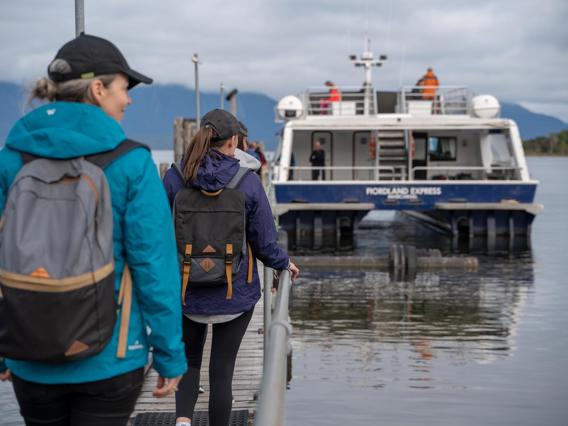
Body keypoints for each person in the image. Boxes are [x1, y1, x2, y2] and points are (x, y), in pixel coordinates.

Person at [0, 34, 186, 425]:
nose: (129, 99)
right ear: (98, 89)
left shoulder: (10, 160)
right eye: (123, 88)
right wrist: (170, 353)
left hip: (28, 353)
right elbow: (155, 266)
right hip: (112, 356)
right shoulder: (132, 163)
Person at [162, 109, 299, 426]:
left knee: (189, 362)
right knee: (221, 371)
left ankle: (182, 422)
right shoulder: (247, 182)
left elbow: (157, 232)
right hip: (233, 293)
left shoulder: (174, 178)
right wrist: (284, 263)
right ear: (234, 141)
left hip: (184, 290)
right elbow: (264, 241)